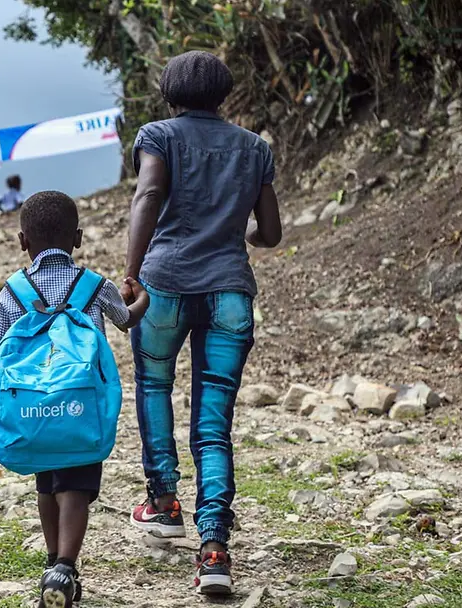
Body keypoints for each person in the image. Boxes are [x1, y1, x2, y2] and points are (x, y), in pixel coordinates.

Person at [121, 51, 282, 596]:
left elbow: (149, 193)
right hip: (229, 292)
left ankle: (164, 503)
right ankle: (214, 550)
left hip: (164, 284)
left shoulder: (158, 135)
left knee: (154, 386)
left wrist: (131, 273)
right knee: (214, 422)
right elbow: (270, 233)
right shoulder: (254, 147)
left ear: (168, 94)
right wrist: (242, 234)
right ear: (224, 94)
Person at [0, 191, 150, 608]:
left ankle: (51, 562)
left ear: (23, 241)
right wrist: (143, 299)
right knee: (75, 487)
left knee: (47, 484)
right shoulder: (95, 286)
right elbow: (126, 319)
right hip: (80, 408)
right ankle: (65, 566)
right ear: (77, 238)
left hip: (34, 410)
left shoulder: (13, 290)